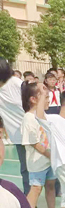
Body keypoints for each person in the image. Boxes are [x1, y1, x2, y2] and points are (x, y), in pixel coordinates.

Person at [20, 81, 64, 208]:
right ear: (33, 99)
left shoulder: (43, 115)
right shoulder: (28, 118)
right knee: (36, 189)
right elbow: (34, 143)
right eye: (45, 97)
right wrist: (51, 155)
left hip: (48, 160)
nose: (48, 100)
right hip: (38, 162)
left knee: (50, 186)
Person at [0, 59, 30, 195]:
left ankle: (55, 189)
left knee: (44, 163)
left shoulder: (17, 83)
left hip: (33, 130)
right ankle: (29, 197)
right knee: (25, 167)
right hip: (17, 134)